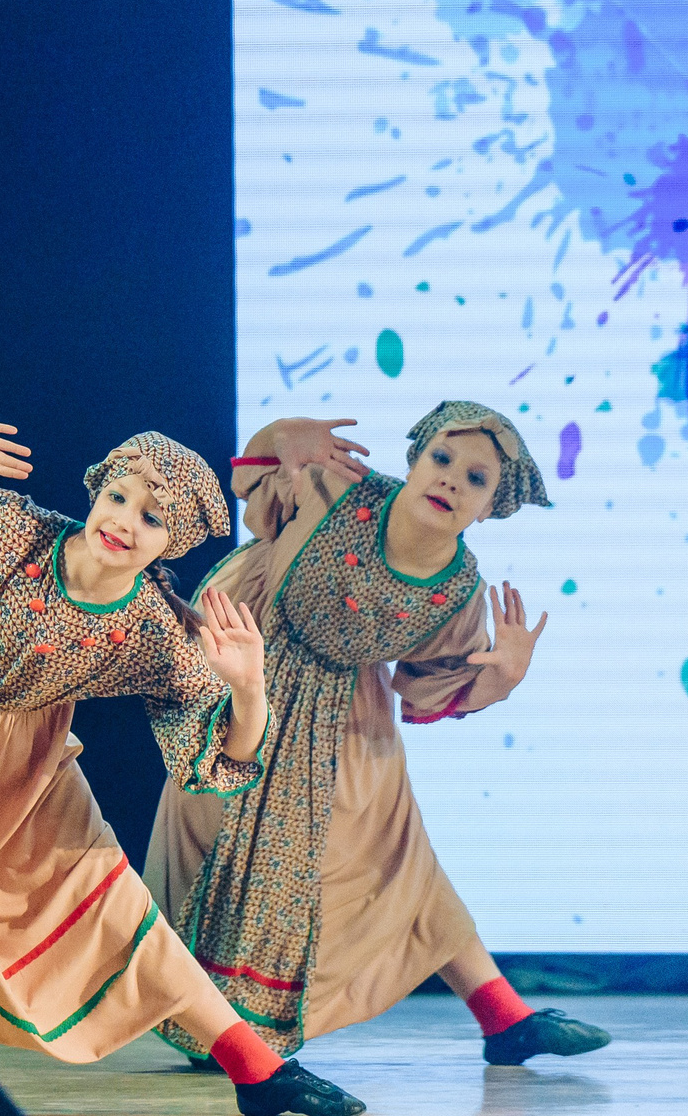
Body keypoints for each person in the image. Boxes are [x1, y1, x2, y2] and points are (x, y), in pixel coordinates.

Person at [0, 423, 363, 1116]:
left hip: (22, 734)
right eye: (118, 497)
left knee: (111, 888)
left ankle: (255, 1066)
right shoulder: (11, 526)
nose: (123, 521)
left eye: (150, 517)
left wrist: (249, 691)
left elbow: (213, 763)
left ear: (170, 541)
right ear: (96, 491)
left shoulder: (157, 630)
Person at [146, 406, 609, 1068]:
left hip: (346, 716)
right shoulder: (338, 489)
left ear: (489, 507)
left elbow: (432, 686)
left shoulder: (458, 588)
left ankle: (504, 1017)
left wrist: (499, 680)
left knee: (401, 862)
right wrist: (279, 439)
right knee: (215, 852)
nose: (449, 480)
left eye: (474, 477)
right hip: (247, 677)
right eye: (442, 460)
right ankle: (217, 1027)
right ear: (417, 458)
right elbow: (253, 484)